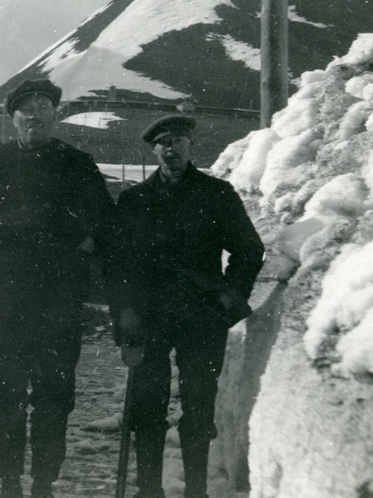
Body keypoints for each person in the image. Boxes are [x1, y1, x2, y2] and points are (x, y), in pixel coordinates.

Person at [0, 79, 114, 498]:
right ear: (13, 119)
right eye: (25, 109)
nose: (34, 115)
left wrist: (85, 247)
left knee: (53, 392)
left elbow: (106, 221)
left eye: (43, 106)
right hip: (5, 298)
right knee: (5, 394)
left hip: (58, 300)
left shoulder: (77, 163)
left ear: (55, 115)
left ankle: (44, 481)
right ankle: (10, 480)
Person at [107, 115, 265, 498]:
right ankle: (149, 490)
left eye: (177, 140)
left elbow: (249, 249)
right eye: (162, 142)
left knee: (197, 410)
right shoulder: (133, 201)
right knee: (147, 409)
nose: (170, 148)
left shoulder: (216, 194)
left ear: (191, 145)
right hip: (148, 318)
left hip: (201, 318)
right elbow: (117, 264)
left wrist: (229, 299)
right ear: (153, 149)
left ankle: (196, 491)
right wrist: (124, 311)